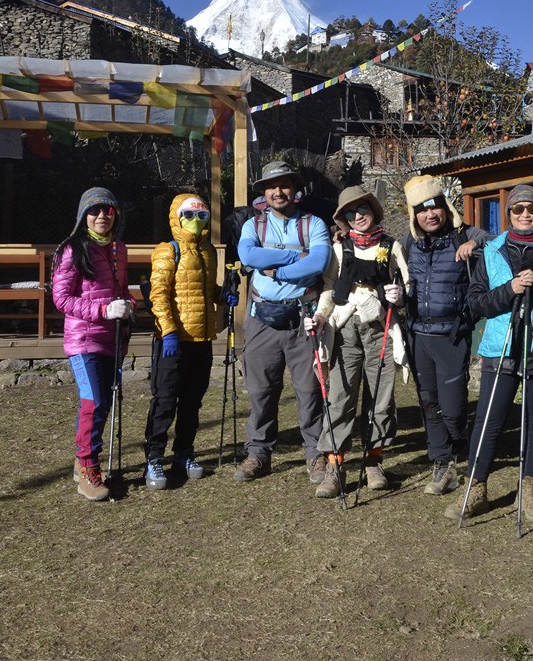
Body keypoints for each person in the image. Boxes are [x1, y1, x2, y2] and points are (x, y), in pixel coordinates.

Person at [447, 184, 533, 522]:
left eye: (531, 209)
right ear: (509, 214)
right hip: (500, 346)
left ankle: (529, 490)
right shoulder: (492, 251)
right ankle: (476, 488)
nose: (525, 214)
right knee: (488, 420)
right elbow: (477, 302)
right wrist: (510, 289)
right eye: (518, 209)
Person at [233, 161, 332, 482]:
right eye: (271, 186)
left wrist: (275, 269)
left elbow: (319, 261)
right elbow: (249, 257)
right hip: (261, 318)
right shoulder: (253, 225)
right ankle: (258, 453)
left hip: (304, 318)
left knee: (310, 389)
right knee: (261, 390)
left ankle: (316, 453)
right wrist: (294, 257)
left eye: (284, 185)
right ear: (264, 191)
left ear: (295, 188)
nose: (278, 191)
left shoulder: (314, 224)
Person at [308, 185, 408, 498]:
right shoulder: (340, 247)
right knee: (340, 395)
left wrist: (400, 297)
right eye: (350, 213)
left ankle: (373, 461)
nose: (357, 216)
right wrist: (320, 316)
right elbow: (329, 287)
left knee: (381, 396)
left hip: (380, 326)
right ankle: (335, 466)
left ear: (372, 211)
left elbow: (406, 284)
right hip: (345, 328)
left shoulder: (392, 246)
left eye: (362, 209)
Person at [399, 175, 488, 497]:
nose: (430, 215)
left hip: (452, 334)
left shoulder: (464, 235)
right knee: (428, 401)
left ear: (445, 207)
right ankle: (442, 461)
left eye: (434, 207)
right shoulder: (408, 242)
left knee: (452, 406)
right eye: (422, 210)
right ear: (414, 215)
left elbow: (498, 242)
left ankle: (456, 441)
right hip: (417, 334)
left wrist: (476, 245)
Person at [143, 193, 233, 490]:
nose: (195, 221)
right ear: (177, 218)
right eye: (189, 216)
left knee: (192, 401)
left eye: (201, 216)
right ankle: (154, 457)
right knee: (165, 400)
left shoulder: (208, 251)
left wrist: (222, 295)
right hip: (173, 340)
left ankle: (184, 452)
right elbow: (158, 294)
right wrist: (167, 331)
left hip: (201, 338)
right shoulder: (166, 251)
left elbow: (203, 289)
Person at [51, 187, 134, 502]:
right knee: (93, 401)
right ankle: (88, 468)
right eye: (94, 210)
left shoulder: (118, 249)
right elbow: (61, 298)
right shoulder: (71, 249)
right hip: (83, 340)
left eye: (108, 210)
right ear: (83, 215)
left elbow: (121, 289)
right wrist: (103, 310)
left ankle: (82, 460)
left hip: (113, 339)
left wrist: (129, 304)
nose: (102, 216)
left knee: (104, 402)